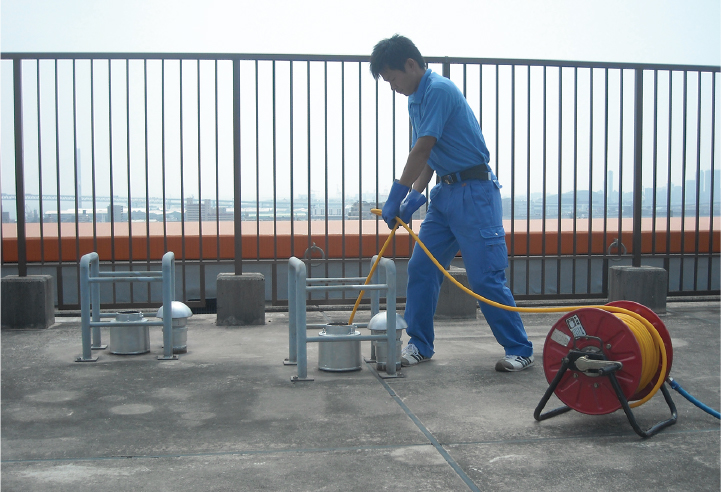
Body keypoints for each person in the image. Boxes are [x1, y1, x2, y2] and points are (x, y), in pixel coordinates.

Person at [370, 34, 534, 372]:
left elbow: (423, 147)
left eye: (393, 78)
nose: (392, 87)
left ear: (411, 65)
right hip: (444, 196)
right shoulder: (416, 99)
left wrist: (397, 194)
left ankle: (519, 349)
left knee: (485, 276)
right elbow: (433, 153)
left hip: (474, 193)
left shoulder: (440, 90)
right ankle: (420, 344)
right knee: (421, 267)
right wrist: (417, 192)